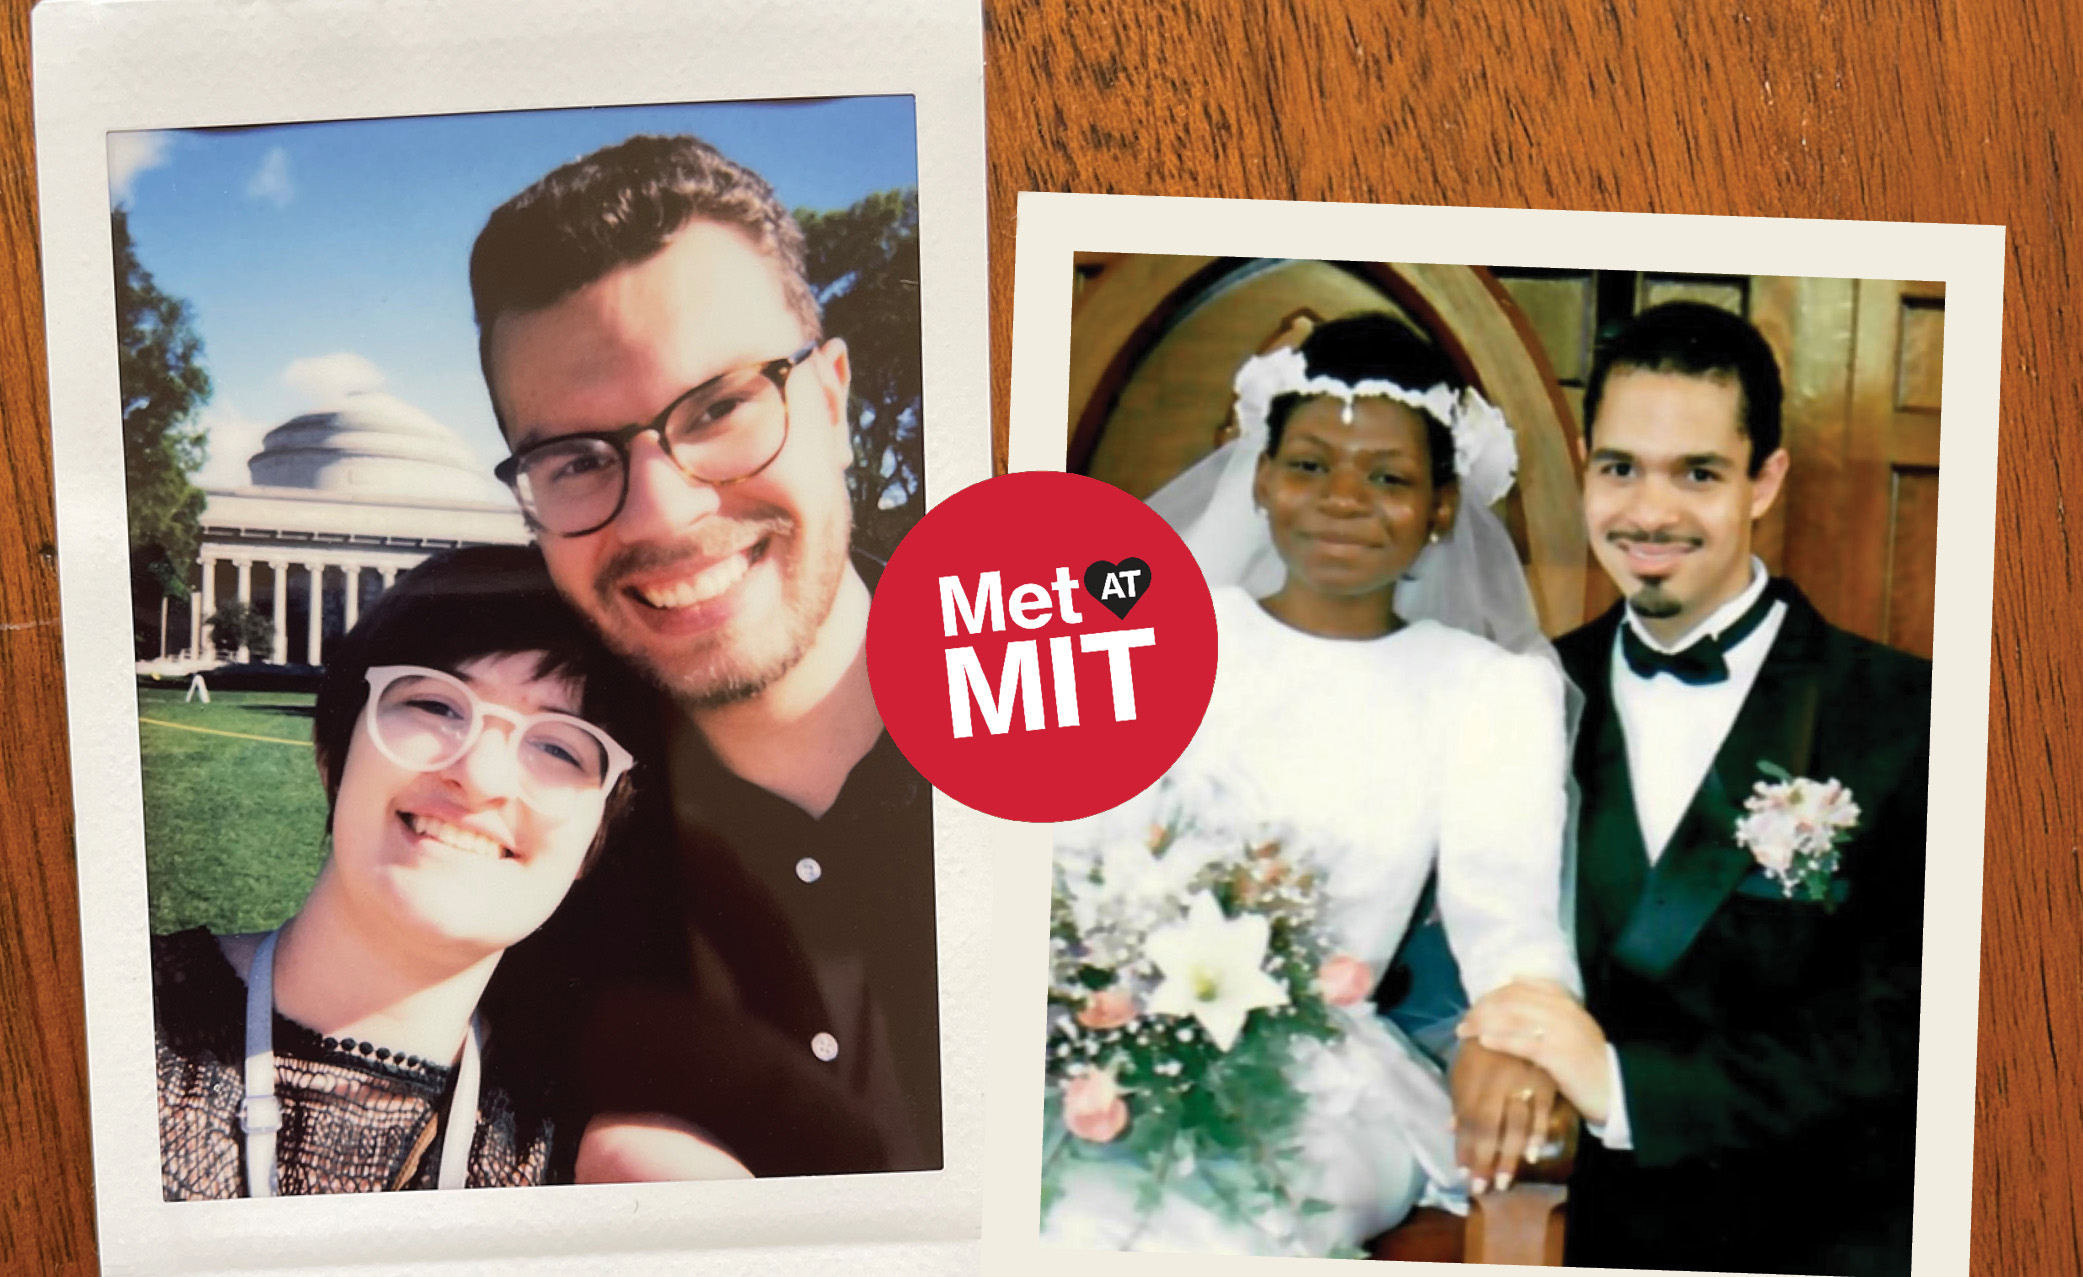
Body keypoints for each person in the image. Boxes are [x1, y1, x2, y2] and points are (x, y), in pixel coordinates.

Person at [1041, 314, 1582, 1255]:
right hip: (1113, 1036)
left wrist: (1518, 1038)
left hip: (1324, 1075)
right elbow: (1066, 853)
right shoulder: (1164, 636)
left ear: (1442, 508)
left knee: (1214, 1222)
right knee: (1054, 1204)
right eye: (1308, 466)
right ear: (1258, 476)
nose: (1341, 500)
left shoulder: (1488, 690)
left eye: (1387, 478)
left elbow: (1514, 930)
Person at [468, 133, 940, 1178]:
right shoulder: (521, 857)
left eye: (720, 406)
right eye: (575, 458)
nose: (664, 510)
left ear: (832, 400)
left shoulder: (1082, 730)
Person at [1459, 302, 1928, 1274]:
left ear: (1765, 480)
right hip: (1569, 1232)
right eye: (1620, 466)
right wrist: (1494, 1040)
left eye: (1698, 473)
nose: (1649, 513)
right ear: (1585, 461)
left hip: (1818, 1233)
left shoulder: (1904, 713)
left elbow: (1908, 1033)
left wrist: (1624, 1083)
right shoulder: (1523, 696)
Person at [151, 545, 727, 1197]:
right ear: (333, 751)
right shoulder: (109, 1019)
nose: (478, 776)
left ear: (594, 843)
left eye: (557, 746)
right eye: (435, 705)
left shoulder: (605, 1177)